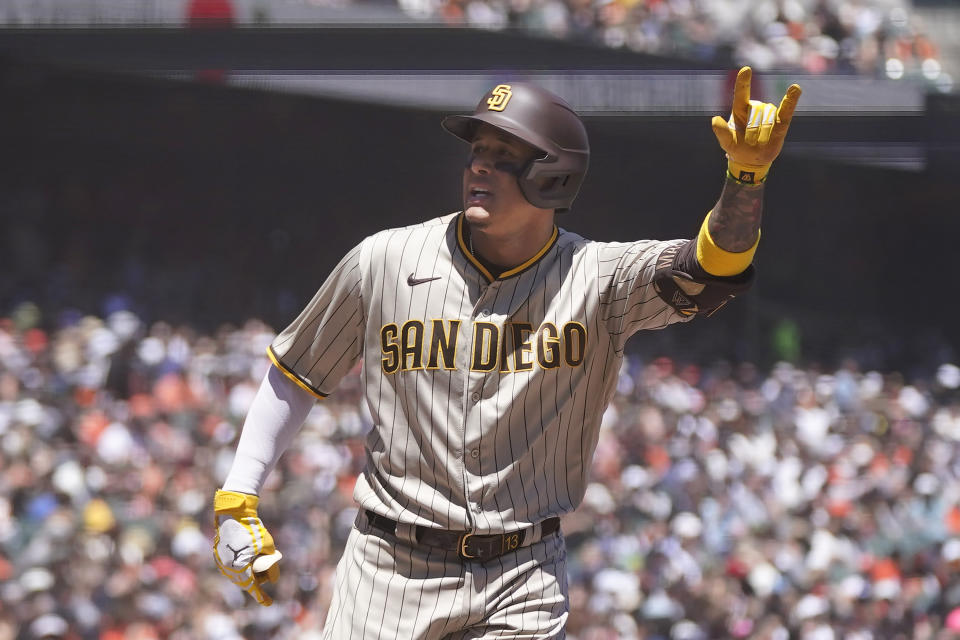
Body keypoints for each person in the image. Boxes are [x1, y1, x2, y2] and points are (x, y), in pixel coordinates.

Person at [212, 67, 801, 637]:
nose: (479, 168)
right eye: (477, 152)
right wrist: (238, 493)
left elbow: (713, 267)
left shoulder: (597, 278)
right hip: (389, 567)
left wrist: (744, 179)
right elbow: (297, 373)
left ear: (555, 176)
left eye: (503, 155)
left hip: (522, 575)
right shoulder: (384, 261)